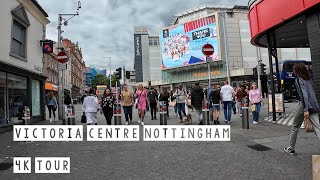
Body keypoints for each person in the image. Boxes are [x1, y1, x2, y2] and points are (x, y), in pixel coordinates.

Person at [284, 63, 320, 155]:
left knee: (295, 127)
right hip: (314, 105)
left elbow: (304, 95)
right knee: (318, 128)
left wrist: (305, 109)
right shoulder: (309, 79)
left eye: (294, 70)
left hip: (304, 106)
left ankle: (291, 148)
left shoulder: (299, 79)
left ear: (297, 70)